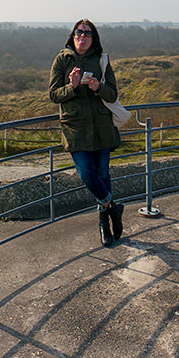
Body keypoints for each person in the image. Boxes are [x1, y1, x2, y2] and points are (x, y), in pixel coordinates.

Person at [49, 18, 124, 247]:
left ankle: (105, 223)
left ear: (93, 39)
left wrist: (96, 87)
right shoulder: (62, 59)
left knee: (102, 174)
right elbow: (53, 95)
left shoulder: (101, 60)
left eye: (87, 33)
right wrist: (71, 87)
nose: (82, 36)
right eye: (78, 32)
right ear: (72, 36)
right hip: (76, 128)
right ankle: (112, 208)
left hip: (101, 127)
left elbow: (112, 94)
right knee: (85, 173)